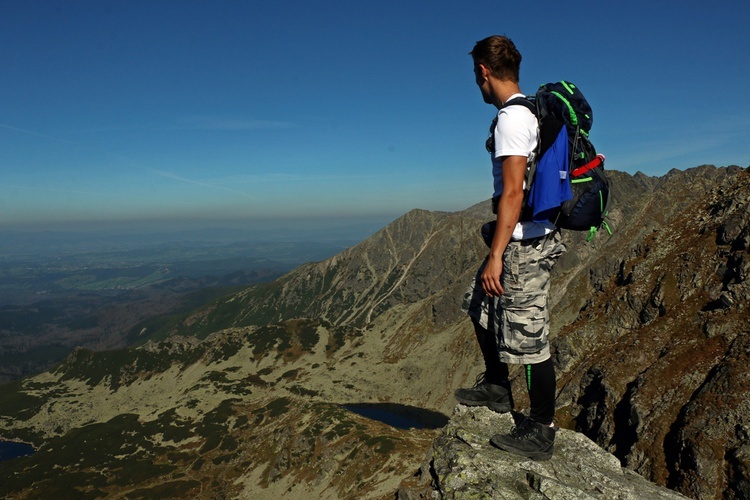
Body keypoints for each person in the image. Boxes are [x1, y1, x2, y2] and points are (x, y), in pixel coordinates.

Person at [455, 35, 566, 461]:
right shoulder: (527, 113)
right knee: (478, 302)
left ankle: (541, 429)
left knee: (532, 340)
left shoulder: (511, 119)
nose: (476, 85)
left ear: (484, 71)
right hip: (522, 239)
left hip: (524, 246)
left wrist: (498, 254)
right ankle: (498, 386)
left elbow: (514, 193)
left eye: (475, 77)